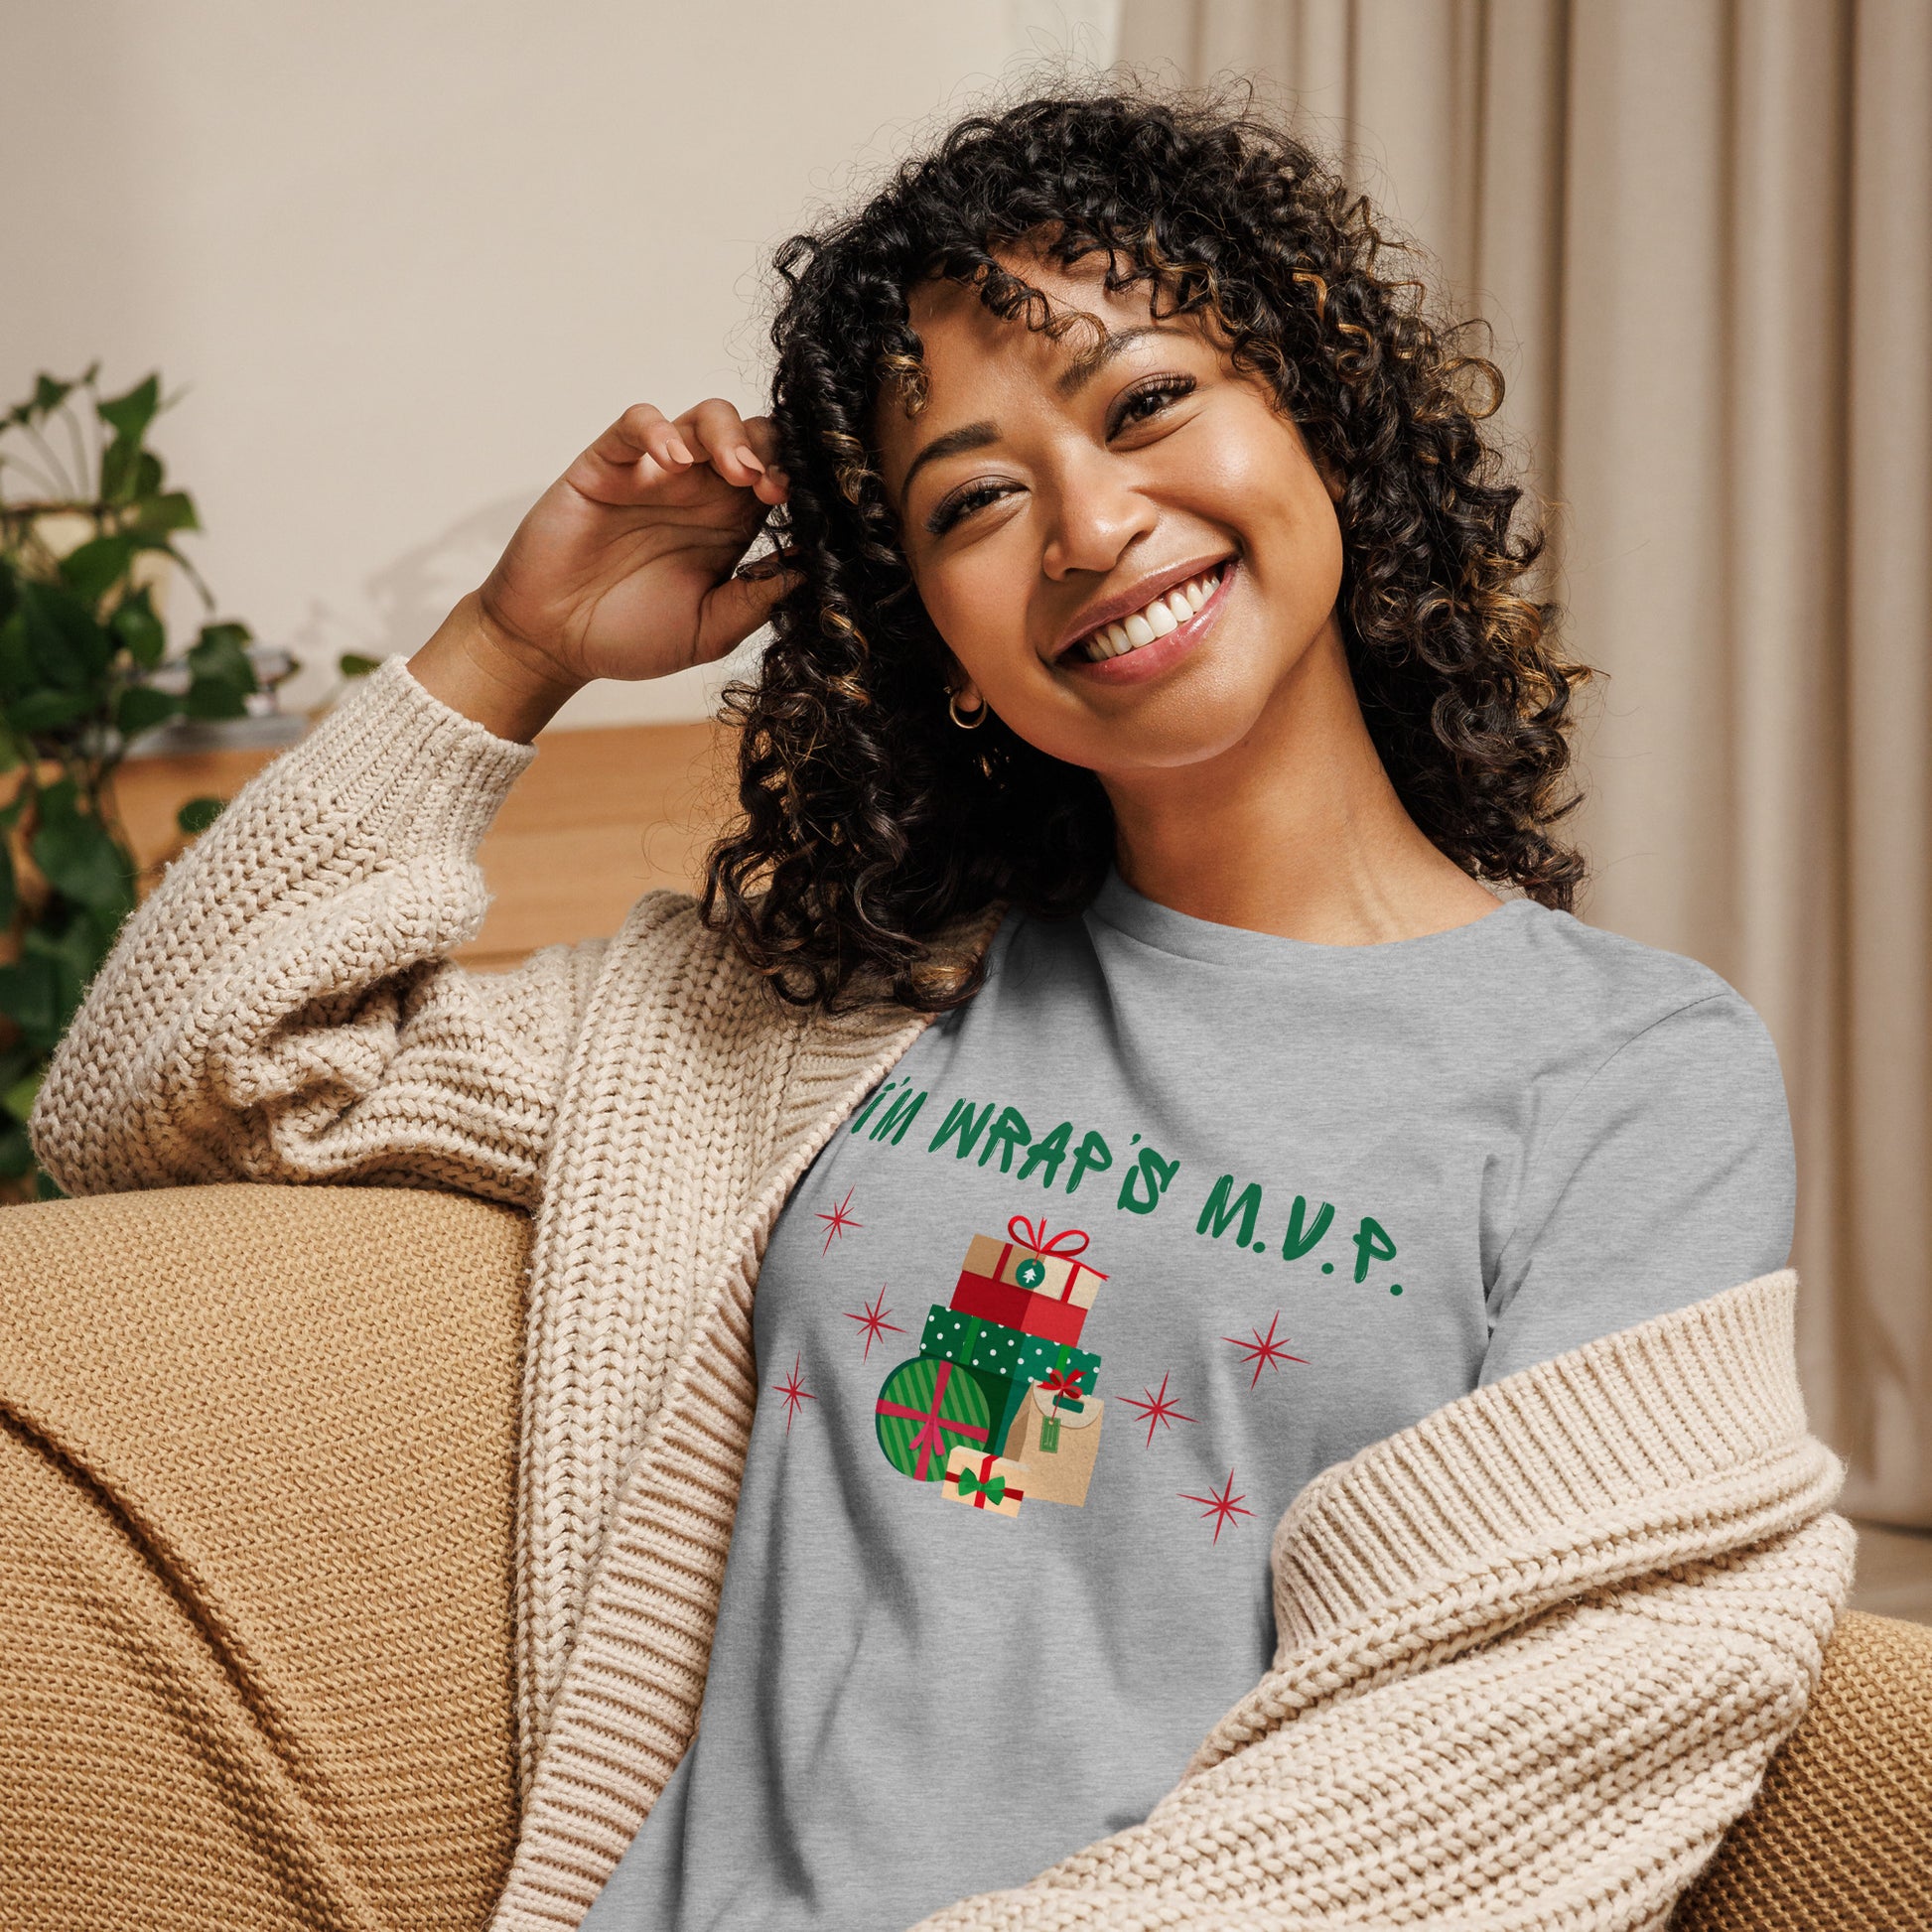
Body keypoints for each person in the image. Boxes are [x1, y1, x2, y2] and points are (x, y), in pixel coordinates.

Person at [30, 89, 1848, 1932]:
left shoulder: (1623, 1073)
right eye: (974, 496)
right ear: (934, 635)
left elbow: (1535, 1731)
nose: (1086, 521)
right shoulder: (813, 1015)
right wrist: (509, 648)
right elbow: (168, 1092)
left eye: (1145, 402)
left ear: (1318, 413)